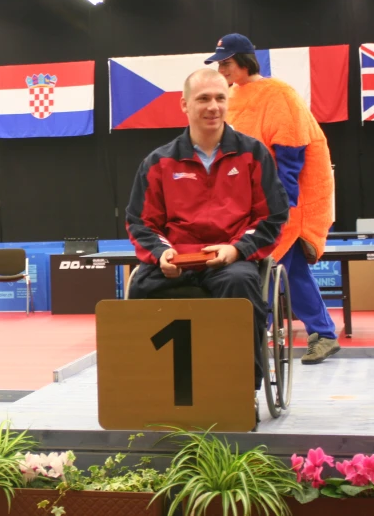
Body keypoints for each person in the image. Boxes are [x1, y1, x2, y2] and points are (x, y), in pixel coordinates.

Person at [125, 68, 289, 399]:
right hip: (176, 261)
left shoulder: (253, 154)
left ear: (228, 102)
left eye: (219, 98)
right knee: (140, 285)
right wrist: (161, 254)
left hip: (230, 261)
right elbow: (141, 222)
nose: (212, 106)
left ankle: (240, 391)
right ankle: (150, 390)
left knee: (239, 283)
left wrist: (237, 250)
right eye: (203, 99)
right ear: (184, 105)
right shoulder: (158, 162)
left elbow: (272, 216)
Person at [205, 33, 340, 365]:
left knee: (267, 266)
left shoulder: (279, 93)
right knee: (288, 271)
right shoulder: (232, 96)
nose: (222, 69)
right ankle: (323, 333)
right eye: (219, 64)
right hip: (254, 198)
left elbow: (291, 151)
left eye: (227, 62)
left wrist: (281, 205)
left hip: (288, 197)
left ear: (245, 61)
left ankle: (250, 338)